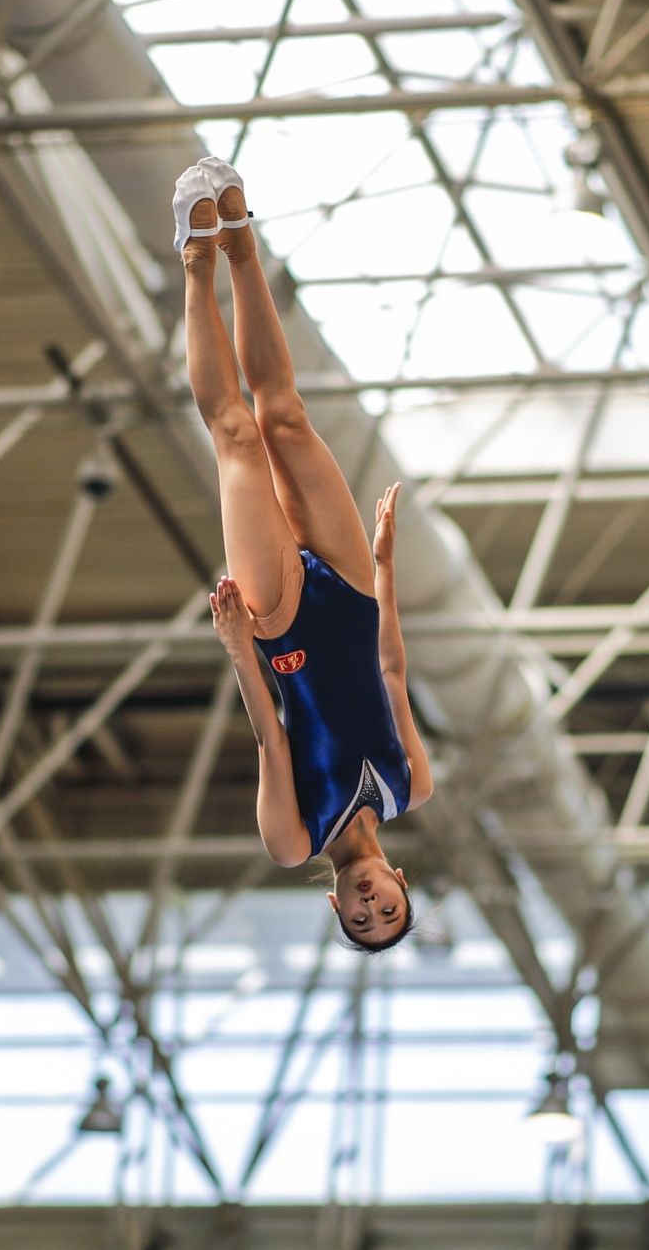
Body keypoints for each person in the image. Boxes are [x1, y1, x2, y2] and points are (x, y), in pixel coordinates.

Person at [174, 154, 434, 953]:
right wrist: (385, 568)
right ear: (399, 883)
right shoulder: (410, 786)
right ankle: (244, 246)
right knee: (284, 415)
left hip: (282, 630)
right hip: (352, 593)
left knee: (238, 437)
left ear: (336, 909)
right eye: (386, 910)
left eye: (359, 919)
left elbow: (271, 738)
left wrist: (240, 649)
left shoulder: (293, 839)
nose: (369, 906)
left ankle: (195, 259)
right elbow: (391, 671)